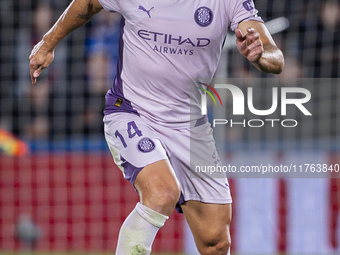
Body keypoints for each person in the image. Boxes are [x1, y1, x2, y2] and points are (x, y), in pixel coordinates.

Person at [29, 0, 284, 254]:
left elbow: (275, 57)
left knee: (215, 242)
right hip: (132, 112)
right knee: (162, 192)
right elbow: (87, 4)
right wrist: (48, 43)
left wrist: (260, 54)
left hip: (191, 128)